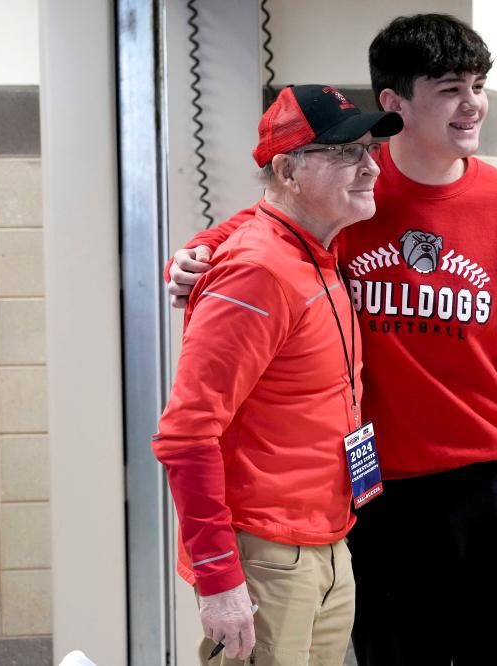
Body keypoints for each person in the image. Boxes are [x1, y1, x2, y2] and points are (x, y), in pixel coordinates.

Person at [165, 14, 497, 665]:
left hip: (490, 483)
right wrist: (195, 254)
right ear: (393, 101)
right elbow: (264, 223)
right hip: (377, 489)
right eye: (449, 88)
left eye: (478, 85)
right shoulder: (356, 194)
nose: (472, 104)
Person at [152, 84, 403, 665]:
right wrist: (218, 579)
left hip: (329, 539)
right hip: (267, 551)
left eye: (369, 149)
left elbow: (251, 217)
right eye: (346, 153)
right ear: (289, 171)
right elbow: (186, 436)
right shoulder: (258, 274)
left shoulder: (313, 242)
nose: (370, 167)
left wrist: (198, 246)